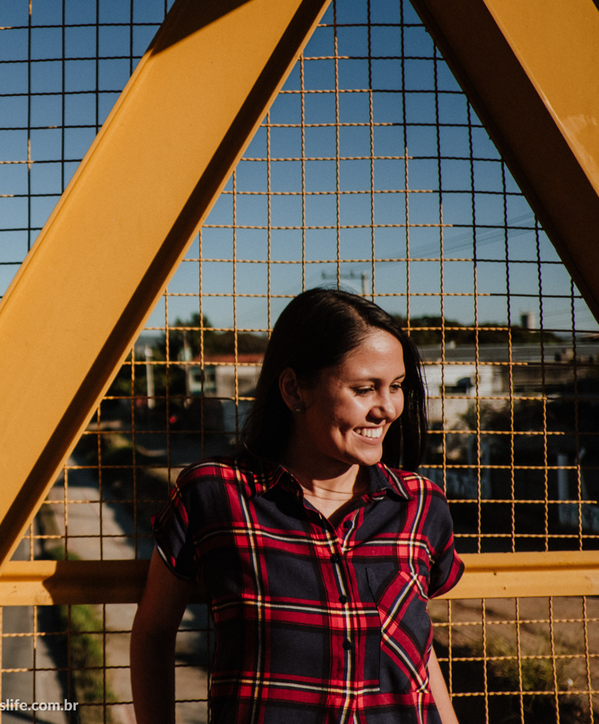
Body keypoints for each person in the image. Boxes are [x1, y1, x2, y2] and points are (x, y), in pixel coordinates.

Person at [130, 288, 462, 724]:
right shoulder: (214, 495)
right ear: (293, 389)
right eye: (364, 389)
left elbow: (417, 648)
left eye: (396, 387)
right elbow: (153, 633)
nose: (387, 408)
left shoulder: (419, 504)